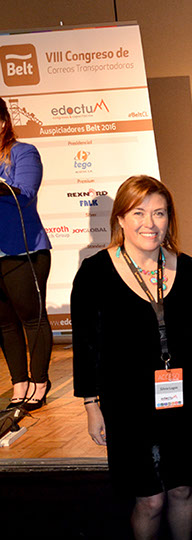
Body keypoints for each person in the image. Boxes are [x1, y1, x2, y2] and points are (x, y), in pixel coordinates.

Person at [71, 175, 192, 540]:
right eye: (139, 213)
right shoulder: (95, 272)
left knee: (182, 491)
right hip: (128, 404)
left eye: (159, 213)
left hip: (186, 399)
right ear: (120, 219)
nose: (150, 223)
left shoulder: (188, 269)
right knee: (150, 499)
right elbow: (86, 347)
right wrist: (92, 405)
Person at [0, 97, 52, 412]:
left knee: (32, 318)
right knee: (4, 323)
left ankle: (40, 381)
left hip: (23, 250)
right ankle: (19, 382)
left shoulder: (23, 152)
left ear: (3, 122)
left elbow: (26, 192)